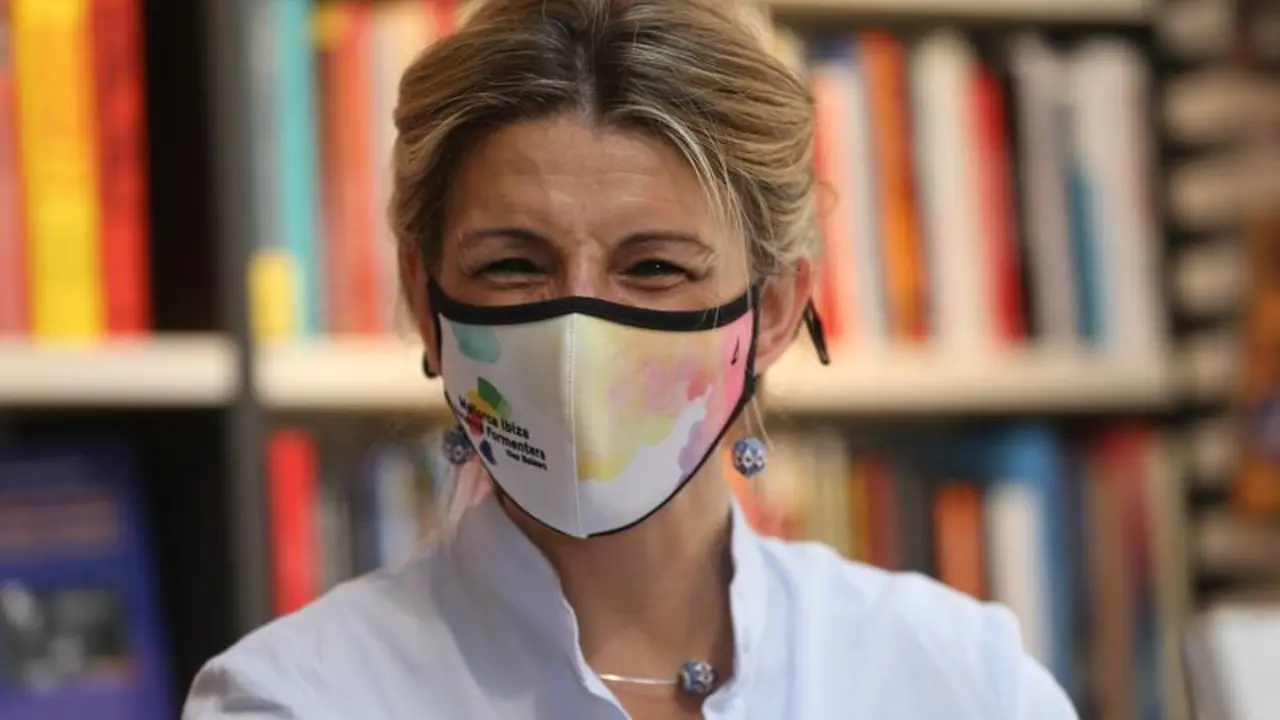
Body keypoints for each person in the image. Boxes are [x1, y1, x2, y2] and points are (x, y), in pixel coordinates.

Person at [183, 0, 1079, 718]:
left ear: (773, 309)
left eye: (653, 268)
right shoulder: (296, 698)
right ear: (427, 303)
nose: (580, 329)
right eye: (513, 264)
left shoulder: (963, 681)